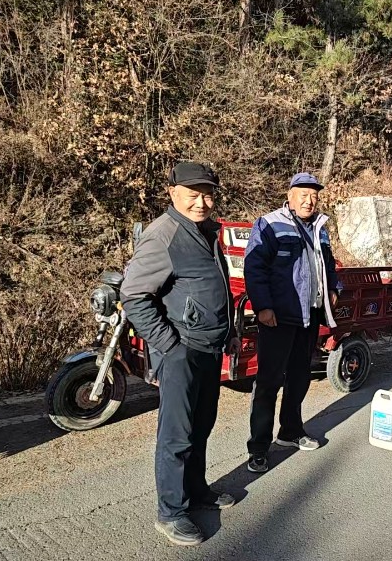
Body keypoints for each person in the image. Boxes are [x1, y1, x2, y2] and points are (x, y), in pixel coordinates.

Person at [120, 161, 240, 546]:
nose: (201, 202)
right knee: (177, 434)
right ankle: (171, 512)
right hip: (181, 350)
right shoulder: (163, 235)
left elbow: (216, 287)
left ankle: (197, 491)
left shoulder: (207, 231)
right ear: (173, 193)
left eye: (208, 194)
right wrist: (169, 345)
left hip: (210, 346)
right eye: (193, 194)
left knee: (201, 425)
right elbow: (134, 295)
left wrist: (230, 332)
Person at [244, 172, 342, 473]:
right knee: (269, 382)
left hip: (309, 315)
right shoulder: (270, 224)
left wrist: (334, 288)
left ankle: (290, 431)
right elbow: (254, 267)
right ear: (290, 196)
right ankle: (259, 448)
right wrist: (263, 307)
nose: (309, 200)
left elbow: (328, 263)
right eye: (303, 194)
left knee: (299, 377)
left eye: (314, 195)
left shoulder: (320, 228)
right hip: (279, 317)